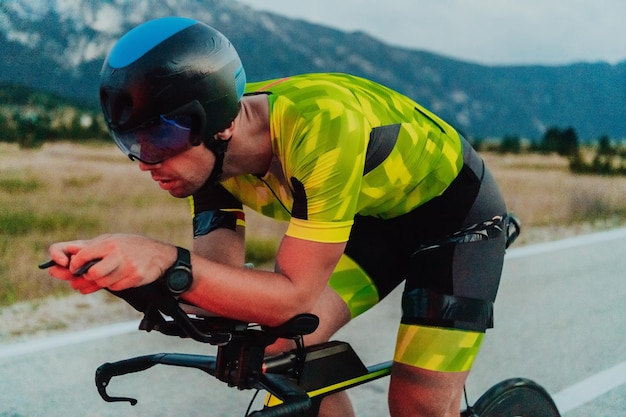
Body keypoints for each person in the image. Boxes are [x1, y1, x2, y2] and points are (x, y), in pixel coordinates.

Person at [45, 16, 511, 417]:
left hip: (456, 220)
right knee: (276, 348)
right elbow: (219, 282)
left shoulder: (321, 127)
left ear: (221, 122)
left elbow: (293, 298)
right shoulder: (206, 160)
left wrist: (165, 259)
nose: (147, 162)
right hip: (372, 221)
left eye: (160, 140)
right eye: (132, 144)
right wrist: (134, 276)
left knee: (417, 403)